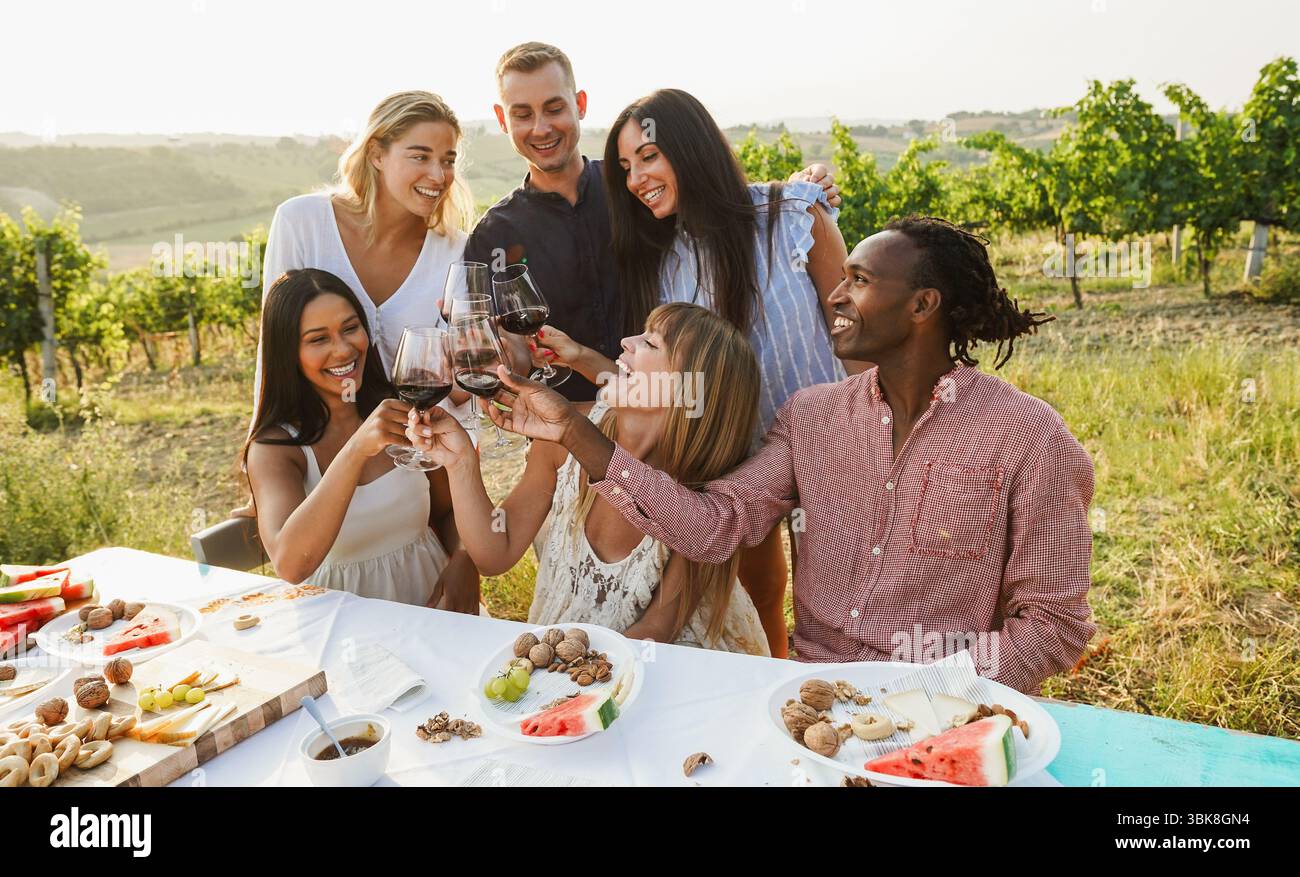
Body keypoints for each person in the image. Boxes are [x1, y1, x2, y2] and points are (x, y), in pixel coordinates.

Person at [471, 217, 1096, 694]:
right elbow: (712, 529)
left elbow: (1053, 626)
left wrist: (929, 693)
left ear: (922, 305)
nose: (835, 295)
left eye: (860, 281)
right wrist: (576, 433)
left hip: (948, 710)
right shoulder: (812, 418)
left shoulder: (1031, 439)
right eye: (842, 277)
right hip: (812, 703)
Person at [535, 88, 868, 657]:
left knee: (835, 600)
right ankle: (774, 684)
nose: (637, 178)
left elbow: (858, 336)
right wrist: (585, 360)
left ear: (690, 148)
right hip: (735, 457)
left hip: (831, 446)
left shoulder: (793, 216)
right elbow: (669, 384)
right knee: (762, 589)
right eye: (624, 167)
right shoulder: (662, 262)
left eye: (648, 156)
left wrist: (881, 430)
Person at [464, 41, 842, 403]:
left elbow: (717, 205)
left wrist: (798, 196)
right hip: (591, 424)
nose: (541, 127)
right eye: (523, 114)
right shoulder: (494, 234)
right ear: (501, 119)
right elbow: (507, 354)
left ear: (580, 105)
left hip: (678, 423)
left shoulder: (638, 202)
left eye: (553, 107)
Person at [406, 303, 770, 655]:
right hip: (571, 653)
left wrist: (563, 678)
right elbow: (494, 553)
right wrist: (460, 462)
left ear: (689, 392)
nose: (627, 341)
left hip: (666, 663)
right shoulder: (564, 440)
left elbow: (657, 633)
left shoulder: (698, 504)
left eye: (651, 342)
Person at [243, 268, 477, 609]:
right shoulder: (275, 448)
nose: (343, 350)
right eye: (318, 339)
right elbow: (291, 564)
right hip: (341, 630)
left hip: (436, 614)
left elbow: (450, 511)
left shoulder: (403, 411)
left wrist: (463, 559)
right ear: (288, 353)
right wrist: (356, 450)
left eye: (350, 328)